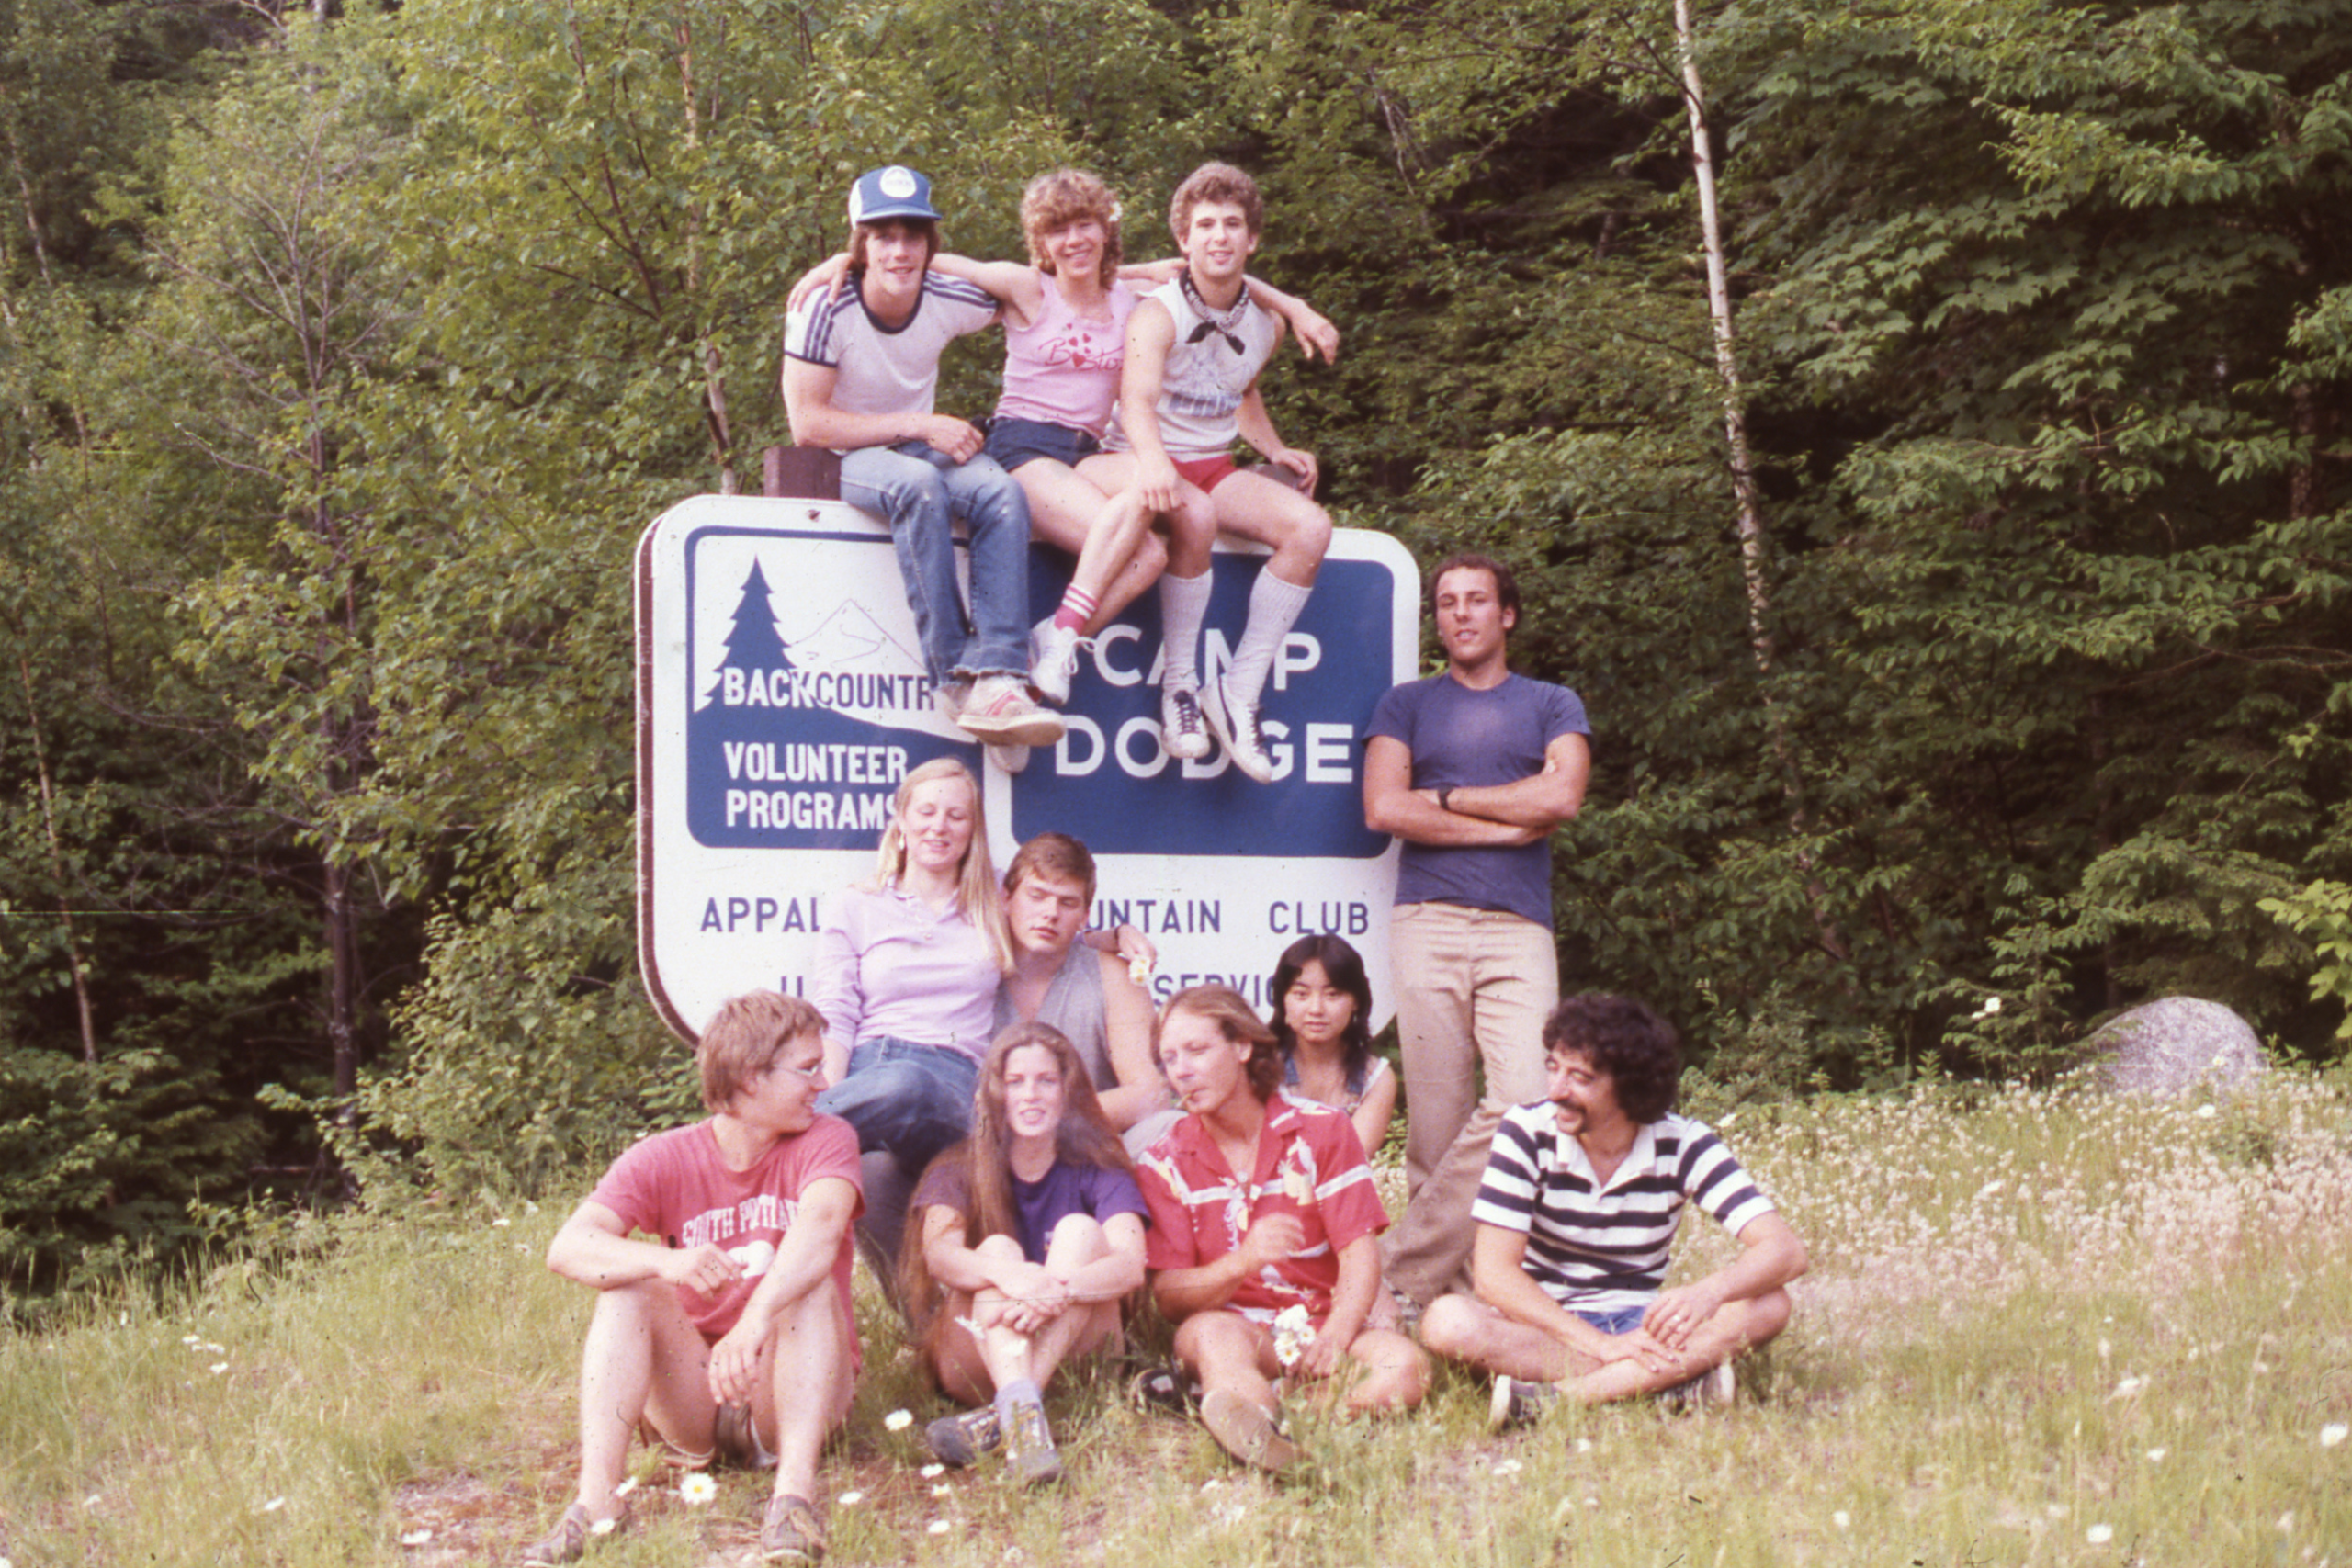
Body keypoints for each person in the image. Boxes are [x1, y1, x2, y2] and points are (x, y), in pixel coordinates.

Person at [786, 168, 1336, 766]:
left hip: (1089, 451)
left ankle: (1040, 651)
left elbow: (1219, 269)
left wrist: (1296, 308)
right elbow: (937, 264)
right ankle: (1023, 674)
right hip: (1025, 445)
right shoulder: (1026, 287)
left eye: (1085, 227)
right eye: (1058, 232)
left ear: (1106, 232)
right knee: (1146, 515)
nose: (1073, 241)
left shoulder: (1132, 296)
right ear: (1041, 243)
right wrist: (835, 265)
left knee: (1155, 545)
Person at [526, 992, 859, 1565]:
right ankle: (598, 1502)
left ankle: (793, 1501)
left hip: (788, 1384)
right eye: (807, 1069)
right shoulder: (663, 1156)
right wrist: (666, 1262)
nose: (823, 1082)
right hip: (698, 1392)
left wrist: (754, 1320)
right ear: (751, 1079)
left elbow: (822, 1229)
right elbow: (567, 1248)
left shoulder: (827, 1139)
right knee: (626, 1290)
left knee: (812, 1286)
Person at [1361, 550, 1589, 1307]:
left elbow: (1561, 797)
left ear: (1507, 614)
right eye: (1447, 602)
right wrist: (1497, 823)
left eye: (1476, 600)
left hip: (1518, 927)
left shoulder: (1552, 702)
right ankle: (1446, 1305)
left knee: (1528, 1097)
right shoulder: (1407, 705)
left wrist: (1450, 797)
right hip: (1425, 920)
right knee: (1436, 1123)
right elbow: (1385, 808)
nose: (1460, 613)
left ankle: (1393, 1278)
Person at [781, 164, 1062, 753]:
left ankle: (1001, 675)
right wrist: (921, 424)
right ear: (860, 243)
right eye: (883, 236)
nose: (900, 251)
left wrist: (1149, 274)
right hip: (848, 456)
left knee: (1001, 494)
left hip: (915, 446)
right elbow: (807, 424)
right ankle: (955, 675)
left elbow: (1047, 290)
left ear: (931, 244)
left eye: (913, 235)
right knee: (919, 486)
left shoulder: (943, 293)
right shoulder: (824, 306)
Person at [1420, 994, 1807, 1420]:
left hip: (1641, 1323)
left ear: (1628, 1084)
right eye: (1553, 1067)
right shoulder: (1525, 1132)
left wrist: (1707, 1294)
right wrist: (1601, 1345)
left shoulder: (1684, 1143)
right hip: (1545, 1326)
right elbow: (1493, 1277)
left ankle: (1561, 1399)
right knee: (1446, 1321)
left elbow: (1786, 1251)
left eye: (1579, 1078)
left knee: (1771, 1303)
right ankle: (1666, 1383)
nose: (1556, 1091)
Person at [1133, 986, 1430, 1471]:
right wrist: (1242, 1262)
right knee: (1211, 1338)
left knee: (1407, 1368)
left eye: (1197, 1050)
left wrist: (1335, 1335)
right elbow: (1168, 1296)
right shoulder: (1165, 1161)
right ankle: (1259, 1418)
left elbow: (1359, 1255)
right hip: (1236, 1327)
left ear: (1243, 1047)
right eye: (1168, 1059)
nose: (1181, 1070)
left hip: (1322, 1321)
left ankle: (1268, 1418)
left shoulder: (1323, 1130)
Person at [1107, 162, 1335, 782]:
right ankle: (1179, 685)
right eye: (1204, 225)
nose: (1219, 236)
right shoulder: (1156, 311)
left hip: (1214, 461)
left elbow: (1244, 390)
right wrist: (1156, 464)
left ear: (1252, 239)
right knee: (1194, 515)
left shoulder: (1267, 323)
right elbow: (1136, 402)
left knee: (1311, 530)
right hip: (1143, 458)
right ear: (1183, 240)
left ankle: (1237, 693)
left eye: (1233, 224)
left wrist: (1275, 446)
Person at [899, 1022, 1150, 1483]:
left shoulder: (1098, 1168)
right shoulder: (959, 1166)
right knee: (997, 1249)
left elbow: (1130, 1265)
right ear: (994, 1092)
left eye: (1046, 1081)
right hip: (973, 1352)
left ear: (1068, 1091)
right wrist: (1011, 1277)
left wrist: (1057, 1290)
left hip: (1083, 1348)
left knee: (1079, 1232)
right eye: (1015, 1082)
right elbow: (940, 1256)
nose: (1030, 1094)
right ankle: (1023, 1408)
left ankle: (1015, 1413)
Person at [811, 758, 1011, 1276]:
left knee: (910, 1086)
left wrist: (1115, 939)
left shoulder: (997, 898)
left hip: (954, 1084)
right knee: (872, 1174)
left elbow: (1055, 927)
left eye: (956, 816)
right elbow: (835, 1011)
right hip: (869, 1074)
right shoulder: (856, 905)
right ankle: (923, 1333)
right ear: (900, 819)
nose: (938, 827)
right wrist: (828, 1091)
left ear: (973, 830)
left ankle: (769, 1133)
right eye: (925, 811)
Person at [994, 832, 1169, 1145]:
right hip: (986, 1146)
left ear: (1084, 915)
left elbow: (1150, 1094)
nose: (1050, 913)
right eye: (1037, 895)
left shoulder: (1112, 975)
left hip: (1084, 1149)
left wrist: (1041, 1117)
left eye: (1067, 902)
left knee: (1166, 1127)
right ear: (1007, 899)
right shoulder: (974, 966)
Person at [1269, 933, 1396, 1162]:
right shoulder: (1260, 1069)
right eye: (1301, 994)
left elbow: (1347, 1166)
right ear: (1282, 1000)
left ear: (1356, 1001)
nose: (1316, 1009)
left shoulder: (1375, 1079)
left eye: (1333, 994)